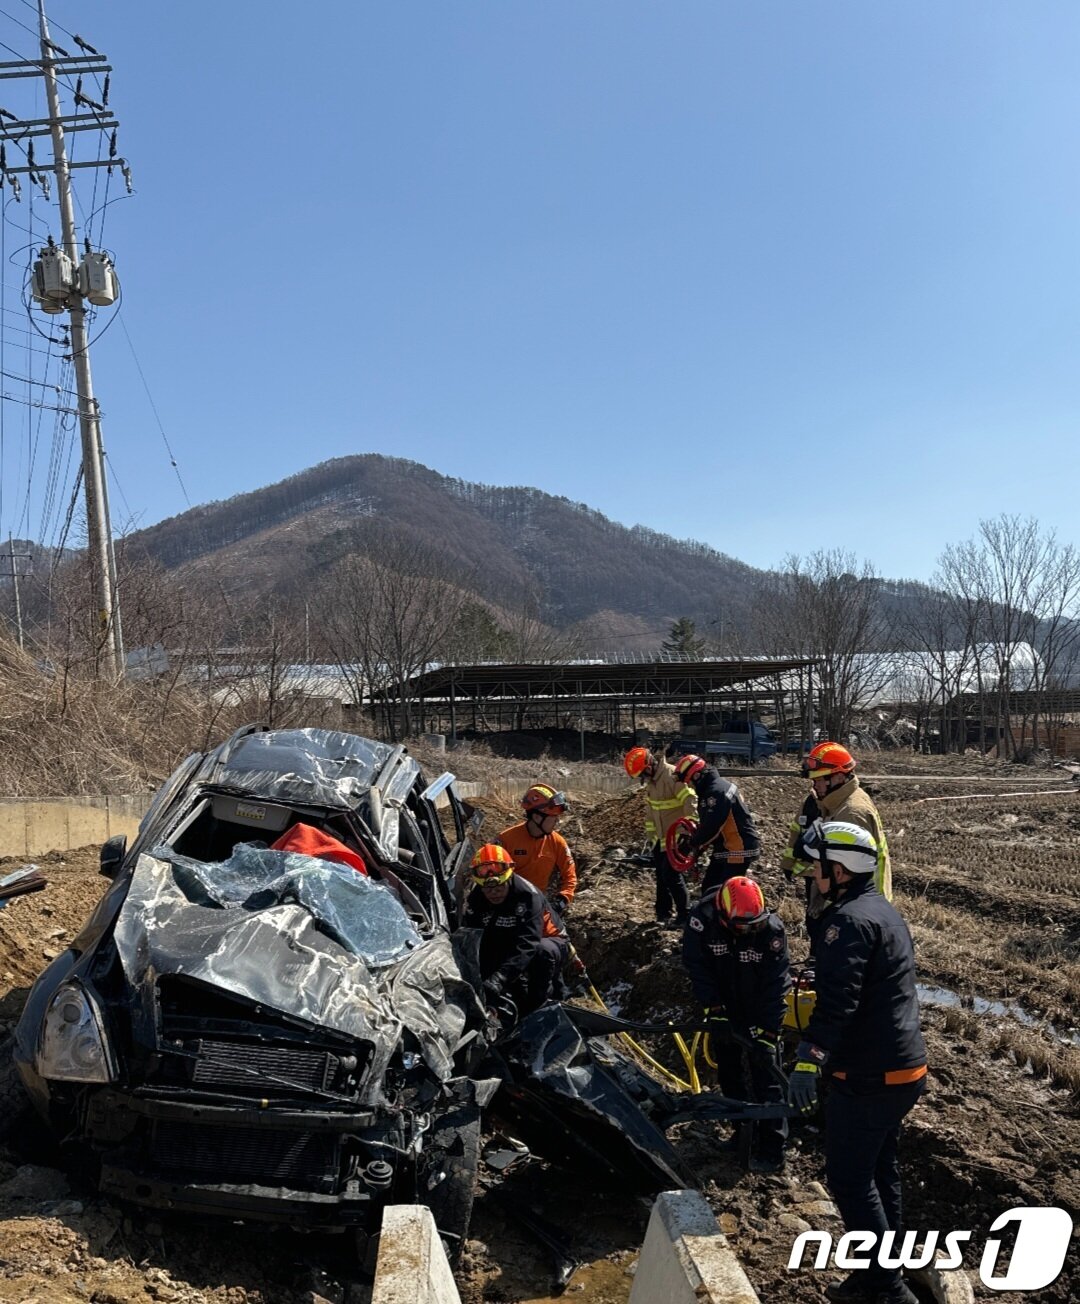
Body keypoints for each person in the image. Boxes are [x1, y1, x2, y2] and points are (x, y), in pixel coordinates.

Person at [787, 821, 926, 1304]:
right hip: (903, 1068)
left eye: (816, 864)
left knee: (848, 1180)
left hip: (870, 1076)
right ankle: (880, 1276)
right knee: (880, 1173)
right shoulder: (881, 910)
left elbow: (838, 1003)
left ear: (840, 868)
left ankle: (888, 1292)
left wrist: (808, 1059)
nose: (810, 872)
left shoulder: (845, 921)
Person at [682, 875, 790, 1174]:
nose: (750, 931)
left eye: (755, 925)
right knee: (730, 1074)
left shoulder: (771, 932)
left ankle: (772, 1149)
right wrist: (714, 1010)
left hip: (758, 1008)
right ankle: (742, 1133)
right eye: (743, 926)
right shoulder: (701, 921)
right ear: (724, 916)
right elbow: (697, 966)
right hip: (724, 1007)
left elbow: (776, 985)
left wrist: (769, 1034)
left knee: (767, 1078)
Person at [782, 742, 892, 949]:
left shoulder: (851, 813)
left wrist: (827, 912)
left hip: (856, 907)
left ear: (839, 777)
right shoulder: (835, 803)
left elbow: (844, 872)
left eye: (819, 781)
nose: (814, 786)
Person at [461, 843, 567, 1017]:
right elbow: (475, 939)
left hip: (547, 940)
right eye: (488, 889)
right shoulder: (476, 900)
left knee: (542, 952)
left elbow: (528, 944)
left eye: (499, 887)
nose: (494, 893)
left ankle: (537, 1009)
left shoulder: (528, 896)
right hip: (510, 936)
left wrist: (500, 978)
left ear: (509, 877)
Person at [624, 745, 698, 928]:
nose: (642, 779)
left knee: (671, 875)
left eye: (643, 774)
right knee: (661, 874)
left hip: (679, 836)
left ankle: (685, 914)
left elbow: (690, 801)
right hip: (661, 839)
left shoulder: (672, 776)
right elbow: (651, 813)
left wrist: (688, 831)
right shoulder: (652, 784)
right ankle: (663, 912)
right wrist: (652, 838)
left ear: (649, 766)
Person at [673, 754, 761, 890]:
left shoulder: (715, 793)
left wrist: (692, 843)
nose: (689, 786)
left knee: (722, 893)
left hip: (737, 848)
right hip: (729, 847)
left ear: (697, 776)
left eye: (689, 782)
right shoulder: (717, 787)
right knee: (710, 888)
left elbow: (712, 827)